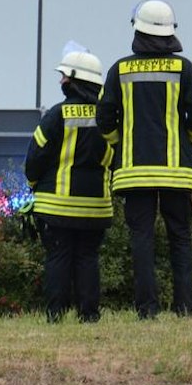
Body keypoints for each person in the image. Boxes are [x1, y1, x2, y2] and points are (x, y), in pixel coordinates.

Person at [95, 0, 192, 318]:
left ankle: (146, 309)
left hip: (134, 173)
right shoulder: (186, 69)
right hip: (176, 172)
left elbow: (104, 118)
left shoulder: (119, 70)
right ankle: (185, 308)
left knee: (142, 242)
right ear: (171, 32)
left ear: (138, 30)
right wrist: (188, 145)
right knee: (181, 239)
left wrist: (119, 146)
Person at [23, 44, 115, 322]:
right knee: (88, 259)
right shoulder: (109, 117)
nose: (61, 80)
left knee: (58, 259)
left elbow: (35, 158)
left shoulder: (56, 115)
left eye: (65, 76)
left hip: (56, 206)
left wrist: (32, 184)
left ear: (76, 79)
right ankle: (89, 315)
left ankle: (55, 316)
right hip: (96, 208)